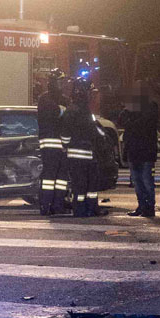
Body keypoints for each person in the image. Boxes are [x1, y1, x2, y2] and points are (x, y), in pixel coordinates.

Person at [119, 90, 160, 217]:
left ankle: (149, 208)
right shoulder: (130, 110)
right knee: (137, 181)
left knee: (147, 180)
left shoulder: (151, 108)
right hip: (134, 151)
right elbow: (121, 121)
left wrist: (132, 120)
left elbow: (143, 124)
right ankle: (142, 206)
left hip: (146, 151)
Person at [63, 80, 101, 218]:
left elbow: (65, 134)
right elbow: (94, 132)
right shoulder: (87, 112)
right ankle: (91, 209)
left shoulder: (71, 111)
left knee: (78, 185)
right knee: (90, 185)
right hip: (89, 155)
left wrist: (65, 145)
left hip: (75, 155)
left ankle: (79, 210)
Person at [35, 73, 67, 215]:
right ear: (53, 82)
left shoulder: (63, 99)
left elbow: (66, 116)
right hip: (50, 143)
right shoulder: (45, 99)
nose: (62, 84)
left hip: (62, 144)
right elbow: (54, 112)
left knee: (62, 177)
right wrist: (61, 109)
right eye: (60, 81)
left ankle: (58, 205)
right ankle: (45, 205)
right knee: (49, 176)